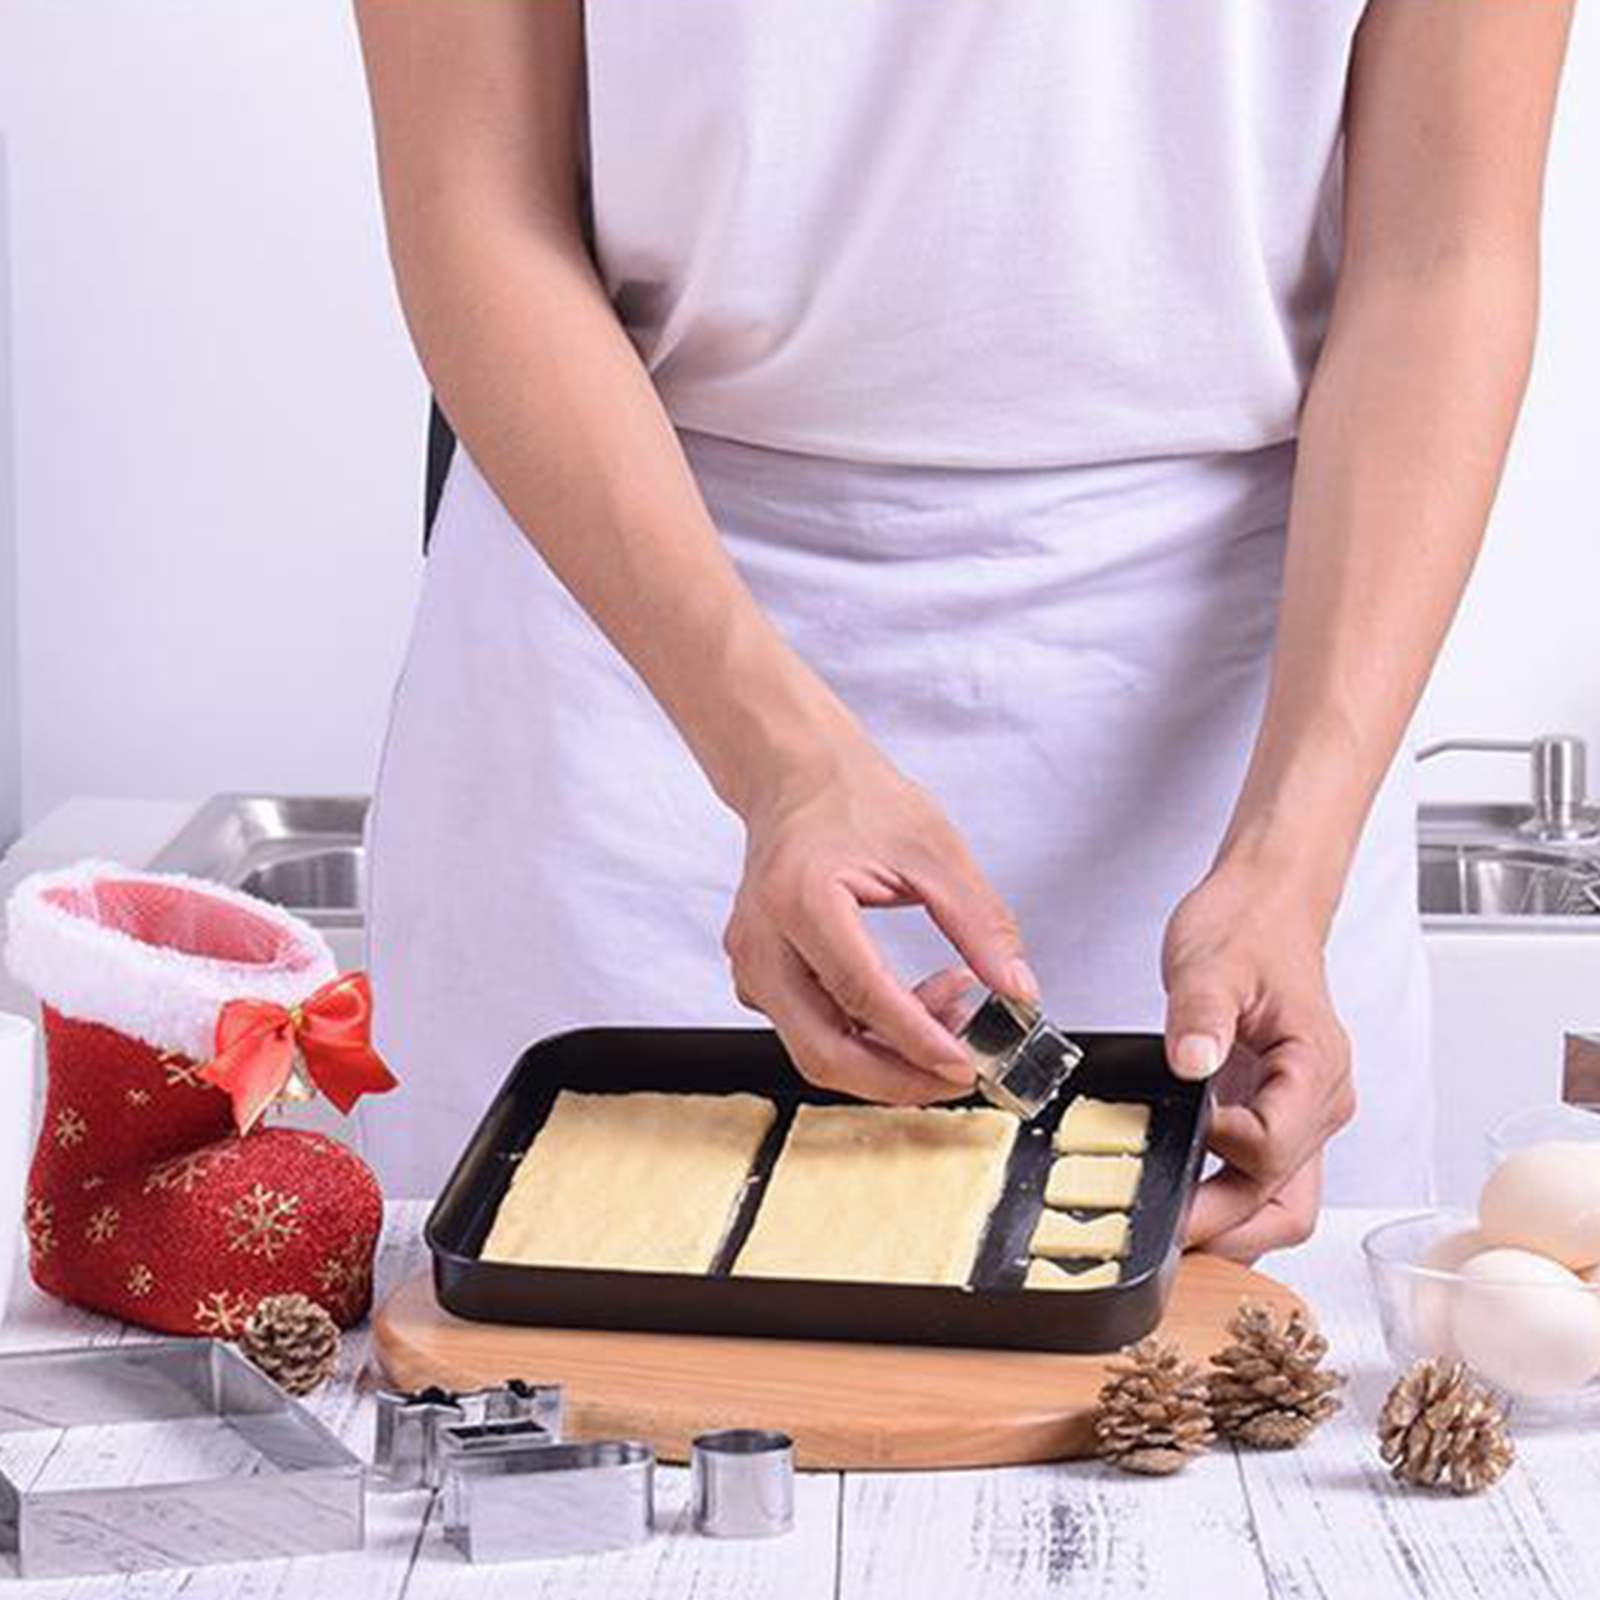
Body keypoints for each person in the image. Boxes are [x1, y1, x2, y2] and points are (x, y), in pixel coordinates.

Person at [352, 0, 1572, 1252]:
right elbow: (475, 199)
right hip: (631, 678)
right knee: (558, 1326)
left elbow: (1444, 255)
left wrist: (1289, 860)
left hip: (1237, 702)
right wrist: (776, 761)